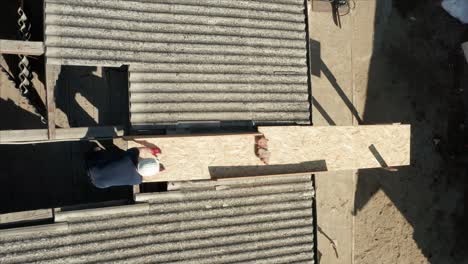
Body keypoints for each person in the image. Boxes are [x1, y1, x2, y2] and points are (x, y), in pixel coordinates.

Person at [86, 145, 162, 188]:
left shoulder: (129, 158)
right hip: (98, 184)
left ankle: (93, 153)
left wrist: (152, 150)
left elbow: (138, 149)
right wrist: (157, 169)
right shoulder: (137, 181)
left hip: (93, 169)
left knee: (116, 155)